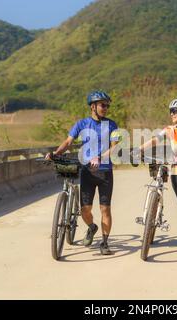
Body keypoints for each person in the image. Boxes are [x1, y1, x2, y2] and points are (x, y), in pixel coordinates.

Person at [46, 91, 121, 255]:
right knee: (85, 210)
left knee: (105, 209)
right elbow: (68, 142)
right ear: (93, 106)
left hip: (105, 172)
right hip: (87, 172)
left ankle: (105, 242)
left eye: (107, 105)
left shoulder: (112, 125)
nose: (106, 108)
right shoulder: (82, 124)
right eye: (103, 105)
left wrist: (101, 156)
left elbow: (115, 146)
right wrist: (55, 154)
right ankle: (92, 227)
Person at [132, 99, 177, 255]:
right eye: (170, 111)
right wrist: (138, 150)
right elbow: (154, 140)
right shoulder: (170, 130)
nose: (172, 114)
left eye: (175, 111)